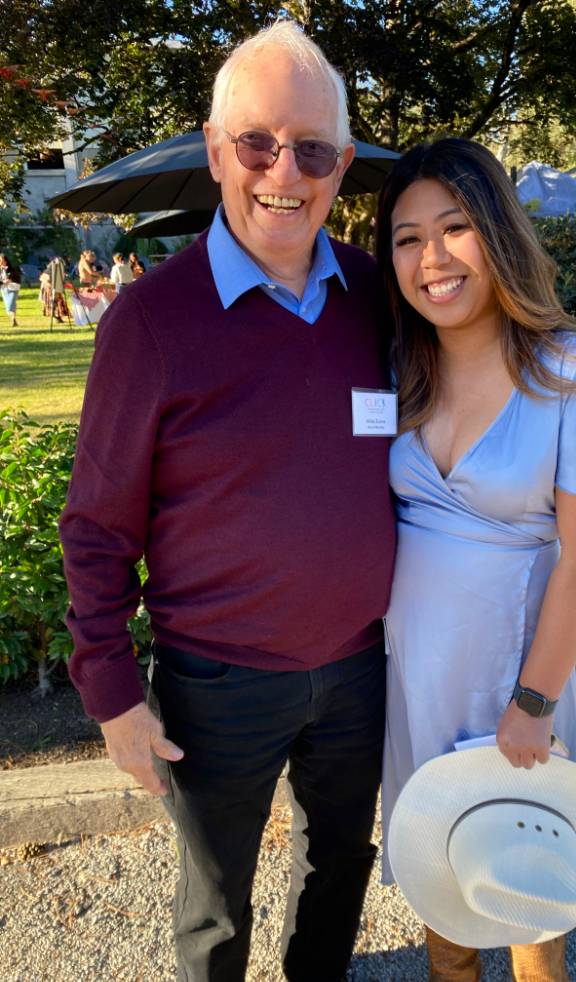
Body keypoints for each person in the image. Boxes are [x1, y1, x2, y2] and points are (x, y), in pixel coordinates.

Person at [59, 19, 396, 982]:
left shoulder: (377, 296)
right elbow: (95, 526)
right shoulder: (150, 322)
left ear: (341, 164)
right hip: (217, 685)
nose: (284, 171)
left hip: (358, 668)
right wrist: (114, 694)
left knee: (342, 864)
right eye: (257, 141)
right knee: (215, 902)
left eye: (315, 148)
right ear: (215, 150)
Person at [375, 138, 576, 982]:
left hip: (514, 680)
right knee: (441, 879)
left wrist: (533, 702)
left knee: (523, 883)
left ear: (498, 234)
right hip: (412, 680)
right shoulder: (398, 371)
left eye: (454, 227)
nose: (430, 258)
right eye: (405, 238)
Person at [0, 254, 21, 327]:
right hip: (4, 288)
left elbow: (18, 278)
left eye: (0, 259)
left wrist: (11, 280)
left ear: (5, 260)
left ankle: (13, 319)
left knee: (11, 303)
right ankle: (13, 319)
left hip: (13, 288)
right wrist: (3, 282)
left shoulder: (11, 269)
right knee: (7, 303)